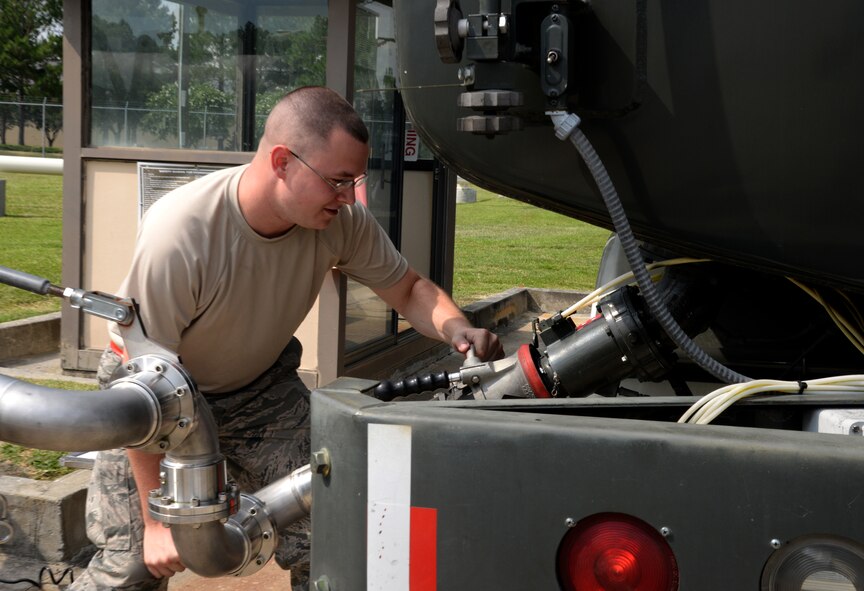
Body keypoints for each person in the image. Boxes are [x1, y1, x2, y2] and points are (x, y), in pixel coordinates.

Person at [70, 86, 503, 591]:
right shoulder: (182, 231)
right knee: (134, 565)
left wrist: (458, 327)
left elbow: (408, 289)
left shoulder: (339, 222)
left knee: (337, 522)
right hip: (153, 401)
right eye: (338, 181)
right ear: (282, 161)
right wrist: (154, 522)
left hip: (260, 391)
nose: (349, 198)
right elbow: (137, 378)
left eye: (355, 181)